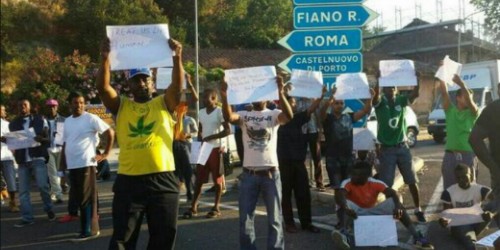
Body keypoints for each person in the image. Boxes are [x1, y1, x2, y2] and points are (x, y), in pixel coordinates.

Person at [97, 38, 184, 250]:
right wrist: (105, 59)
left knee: (162, 240)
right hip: (129, 183)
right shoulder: (121, 106)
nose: (142, 83)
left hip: (163, 181)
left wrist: (177, 56)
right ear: (129, 85)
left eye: (145, 79)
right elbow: (102, 87)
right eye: (136, 80)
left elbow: (177, 86)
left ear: (152, 81)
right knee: (122, 240)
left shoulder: (164, 103)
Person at [221, 75, 293, 250]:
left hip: (271, 174)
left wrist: (281, 93)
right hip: (249, 175)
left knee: (275, 219)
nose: (258, 98)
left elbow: (289, 116)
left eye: (262, 94)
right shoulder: (245, 115)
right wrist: (225, 96)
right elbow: (230, 117)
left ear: (268, 97)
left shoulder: (274, 114)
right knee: (245, 220)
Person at [332, 161, 433, 250]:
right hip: (354, 214)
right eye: (353, 174)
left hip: (372, 211)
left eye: (357, 175)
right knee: (341, 203)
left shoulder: (376, 183)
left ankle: (416, 236)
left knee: (396, 204)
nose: (353, 177)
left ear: (367, 176)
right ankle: (343, 233)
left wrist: (397, 207)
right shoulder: (347, 183)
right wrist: (346, 207)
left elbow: (394, 193)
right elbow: (341, 195)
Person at [59, 91, 114, 241]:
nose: (79, 105)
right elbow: (65, 143)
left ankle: (88, 230)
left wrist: (105, 154)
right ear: (70, 104)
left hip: (86, 163)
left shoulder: (90, 118)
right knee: (77, 196)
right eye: (76, 102)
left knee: (85, 198)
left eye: (82, 102)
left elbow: (110, 132)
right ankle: (88, 228)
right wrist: (62, 164)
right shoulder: (68, 121)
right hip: (72, 164)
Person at [372, 73, 426, 222]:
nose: (392, 89)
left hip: (402, 148)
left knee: (412, 180)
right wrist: (379, 80)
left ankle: (418, 209)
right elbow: (374, 97)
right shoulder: (380, 102)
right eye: (389, 87)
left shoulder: (401, 101)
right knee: (386, 183)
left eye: (394, 87)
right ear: (384, 90)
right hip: (386, 149)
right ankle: (394, 208)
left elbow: (415, 94)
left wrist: (417, 80)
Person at [277, 88, 325, 234]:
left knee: (303, 194)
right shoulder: (276, 119)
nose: (294, 104)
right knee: (285, 195)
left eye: (294, 102)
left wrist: (321, 95)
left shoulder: (298, 117)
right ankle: (289, 223)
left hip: (299, 162)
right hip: (283, 163)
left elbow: (312, 109)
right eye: (291, 102)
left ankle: (307, 223)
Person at [183, 88, 230, 219]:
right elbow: (201, 130)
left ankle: (216, 206)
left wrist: (211, 137)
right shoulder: (201, 112)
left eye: (207, 98)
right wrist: (198, 145)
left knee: (217, 179)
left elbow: (227, 130)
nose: (204, 100)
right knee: (199, 179)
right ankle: (193, 206)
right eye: (203, 97)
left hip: (216, 148)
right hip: (204, 149)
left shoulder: (219, 112)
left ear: (214, 99)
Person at [8, 99, 54, 227]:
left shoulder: (39, 120)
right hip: (22, 161)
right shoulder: (13, 124)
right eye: (20, 105)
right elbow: (14, 142)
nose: (22, 107)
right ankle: (27, 218)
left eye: (25, 105)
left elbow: (48, 138)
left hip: (37, 157)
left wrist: (41, 138)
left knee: (43, 186)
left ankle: (48, 208)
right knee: (23, 192)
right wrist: (6, 140)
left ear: (29, 107)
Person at [319, 87, 374, 189]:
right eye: (337, 103)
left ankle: (348, 205)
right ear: (332, 104)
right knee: (337, 187)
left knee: (349, 186)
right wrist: (331, 97)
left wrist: (370, 97)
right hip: (333, 158)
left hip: (348, 157)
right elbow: (321, 112)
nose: (339, 105)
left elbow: (365, 110)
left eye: (341, 103)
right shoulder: (327, 118)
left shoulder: (349, 117)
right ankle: (338, 205)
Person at [439, 163, 496, 250]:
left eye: (464, 176)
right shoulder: (448, 192)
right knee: (466, 236)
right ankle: (474, 246)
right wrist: (444, 221)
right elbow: (447, 215)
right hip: (460, 224)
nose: (461, 180)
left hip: (477, 221)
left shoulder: (480, 189)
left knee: (496, 204)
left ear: (471, 175)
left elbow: (496, 201)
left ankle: (473, 241)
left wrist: (491, 214)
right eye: (458, 178)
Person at [437, 74, 479, 190]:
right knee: (449, 190)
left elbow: (471, 103)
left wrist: (461, 84)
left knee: (470, 188)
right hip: (450, 155)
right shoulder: (450, 111)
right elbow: (444, 93)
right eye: (466, 96)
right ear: (458, 98)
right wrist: (442, 74)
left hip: (467, 155)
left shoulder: (473, 113)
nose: (469, 99)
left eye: (470, 97)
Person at [469, 83, 500, 227]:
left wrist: (493, 167)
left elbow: (474, 138)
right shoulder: (494, 110)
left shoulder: (493, 109)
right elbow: (474, 138)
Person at [173, 73, 198, 201]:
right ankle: (174, 196)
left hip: (182, 144)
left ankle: (190, 193)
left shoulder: (180, 110)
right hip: (169, 145)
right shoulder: (162, 108)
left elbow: (195, 98)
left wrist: (187, 83)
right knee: (174, 172)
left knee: (188, 169)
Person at [44, 98, 66, 204]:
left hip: (60, 148)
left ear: (57, 107)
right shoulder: (43, 120)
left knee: (59, 172)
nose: (51, 108)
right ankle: (59, 195)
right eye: (49, 107)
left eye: (53, 106)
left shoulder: (63, 119)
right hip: (48, 149)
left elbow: (65, 136)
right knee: (52, 173)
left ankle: (54, 192)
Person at [0, 104, 19, 212]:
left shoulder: (8, 124)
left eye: (4, 110)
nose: (4, 112)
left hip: (6, 156)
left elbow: (13, 139)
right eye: (2, 110)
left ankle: (13, 202)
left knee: (11, 181)